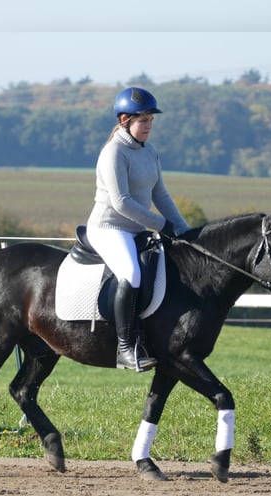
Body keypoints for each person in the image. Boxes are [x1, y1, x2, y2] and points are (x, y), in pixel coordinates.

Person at [85, 86, 190, 372]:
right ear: (124, 121)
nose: (148, 127)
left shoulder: (150, 151)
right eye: (143, 121)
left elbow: (161, 195)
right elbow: (121, 203)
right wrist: (161, 225)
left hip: (137, 229)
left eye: (151, 121)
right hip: (109, 227)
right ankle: (124, 348)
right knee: (130, 273)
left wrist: (184, 231)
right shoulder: (113, 153)